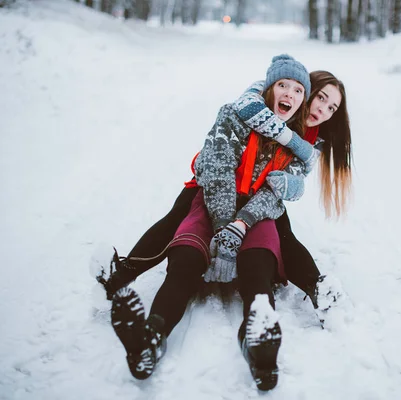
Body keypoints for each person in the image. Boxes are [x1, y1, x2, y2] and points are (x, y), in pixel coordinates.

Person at [108, 55, 319, 389]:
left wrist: (243, 223)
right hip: (211, 202)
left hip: (255, 212)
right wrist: (224, 225)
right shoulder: (234, 115)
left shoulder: (296, 145)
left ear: (302, 101)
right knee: (186, 260)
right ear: (269, 90)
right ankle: (152, 337)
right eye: (282, 85)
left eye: (297, 90)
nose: (289, 94)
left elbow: (274, 196)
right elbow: (216, 166)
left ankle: (258, 346)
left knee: (259, 262)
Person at [95, 70, 352, 323]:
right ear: (307, 90)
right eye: (321, 98)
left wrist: (291, 186)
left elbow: (297, 178)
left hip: (257, 191)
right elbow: (245, 108)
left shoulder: (313, 139)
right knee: (178, 216)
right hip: (219, 178)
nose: (323, 110)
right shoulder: (268, 101)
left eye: (332, 108)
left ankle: (319, 290)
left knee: (283, 233)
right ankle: (122, 274)